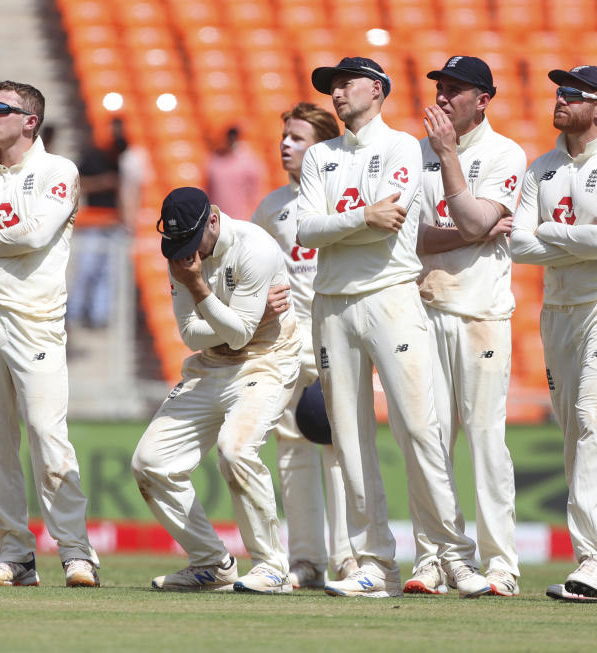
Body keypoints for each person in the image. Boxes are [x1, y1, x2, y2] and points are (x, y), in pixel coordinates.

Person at [296, 56, 490, 598]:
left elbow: (393, 224)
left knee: (419, 428)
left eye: (345, 83)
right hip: (332, 302)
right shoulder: (319, 156)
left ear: (377, 90)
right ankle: (373, 564)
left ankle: (454, 556)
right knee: (350, 439)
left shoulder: (404, 146)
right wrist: (358, 219)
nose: (335, 94)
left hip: (390, 296)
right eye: (330, 87)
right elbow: (309, 229)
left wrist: (347, 228)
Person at [0, 80, 100, 587]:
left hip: (32, 316)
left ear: (28, 121)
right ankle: (15, 555)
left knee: (45, 432)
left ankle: (76, 553)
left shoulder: (58, 171)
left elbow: (32, 235)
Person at [510, 65, 597, 602]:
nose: (560, 98)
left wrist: (547, 233)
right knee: (577, 435)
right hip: (559, 310)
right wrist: (569, 239)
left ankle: (595, 561)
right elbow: (515, 247)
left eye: (573, 94)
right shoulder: (542, 168)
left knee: (594, 420)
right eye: (558, 91)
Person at [132, 187, 300, 594]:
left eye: (192, 243)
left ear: (212, 219)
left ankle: (272, 567)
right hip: (209, 366)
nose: (188, 256)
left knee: (236, 450)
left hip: (266, 360)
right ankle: (211, 564)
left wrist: (200, 290)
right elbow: (192, 335)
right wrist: (245, 320)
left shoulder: (254, 248)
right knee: (149, 463)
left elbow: (241, 337)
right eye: (178, 247)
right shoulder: (181, 256)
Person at [404, 56, 525, 597]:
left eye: (456, 90)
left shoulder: (504, 153)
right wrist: (469, 231)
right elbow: (416, 238)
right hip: (425, 309)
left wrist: (449, 159)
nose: (443, 98)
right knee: (427, 440)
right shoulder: (416, 154)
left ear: (483, 99)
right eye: (440, 88)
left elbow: (476, 219)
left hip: (480, 314)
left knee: (484, 440)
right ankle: (434, 557)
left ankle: (501, 563)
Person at [250, 102, 358, 588]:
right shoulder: (272, 207)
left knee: (340, 447)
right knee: (292, 447)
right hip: (288, 344)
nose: (286, 145)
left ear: (322, 146)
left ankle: (350, 557)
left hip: (337, 333)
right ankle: (307, 560)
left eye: (298, 138)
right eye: (284, 137)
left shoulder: (344, 197)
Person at [69, 118, 147, 329]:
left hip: (115, 223)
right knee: (86, 268)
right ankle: (75, 311)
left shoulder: (126, 160)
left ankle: (99, 314)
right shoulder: (93, 156)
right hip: (93, 220)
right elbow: (77, 184)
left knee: (108, 273)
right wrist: (103, 183)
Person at [206, 125, 266, 221]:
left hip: (241, 219)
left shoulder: (249, 161)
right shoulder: (214, 160)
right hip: (218, 219)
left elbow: (255, 193)